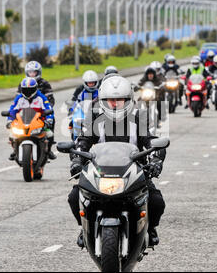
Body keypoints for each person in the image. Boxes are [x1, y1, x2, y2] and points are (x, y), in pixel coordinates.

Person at [68, 75, 166, 248]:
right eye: (110, 100)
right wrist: (77, 159)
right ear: (103, 100)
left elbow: (151, 140)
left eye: (119, 100)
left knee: (157, 201)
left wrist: (156, 158)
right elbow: (83, 142)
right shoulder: (95, 116)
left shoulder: (139, 116)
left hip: (134, 170)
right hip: (100, 170)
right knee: (74, 196)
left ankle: (150, 229)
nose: (114, 104)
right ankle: (85, 228)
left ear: (128, 100)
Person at [7, 77, 56, 160]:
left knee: (50, 134)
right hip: (23, 123)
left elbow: (48, 108)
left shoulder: (41, 97)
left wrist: (49, 119)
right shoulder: (19, 98)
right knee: (12, 134)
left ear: (35, 89)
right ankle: (15, 150)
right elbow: (12, 109)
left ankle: (48, 151)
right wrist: (9, 120)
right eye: (25, 90)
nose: (28, 92)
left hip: (38, 123)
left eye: (30, 90)